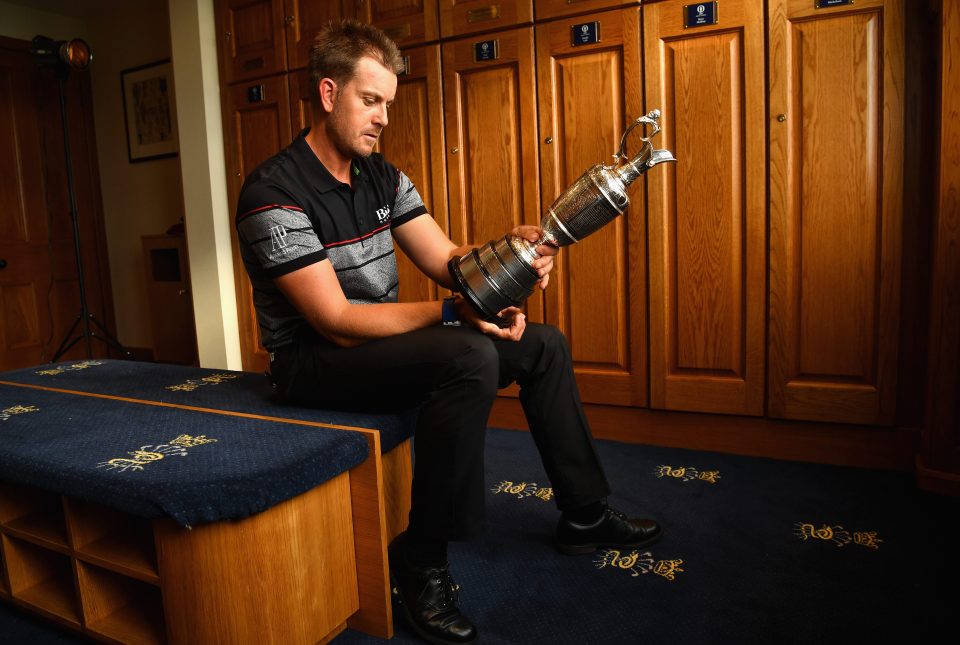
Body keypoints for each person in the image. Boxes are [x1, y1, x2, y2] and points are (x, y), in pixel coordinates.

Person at [235, 19, 662, 645]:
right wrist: (453, 313)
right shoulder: (273, 191)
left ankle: (584, 513)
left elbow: (448, 260)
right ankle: (422, 558)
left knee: (542, 346)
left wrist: (509, 255)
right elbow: (338, 321)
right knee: (467, 354)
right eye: (370, 100)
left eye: (388, 104)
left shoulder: (381, 174)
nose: (382, 118)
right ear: (328, 95)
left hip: (376, 349)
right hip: (313, 362)